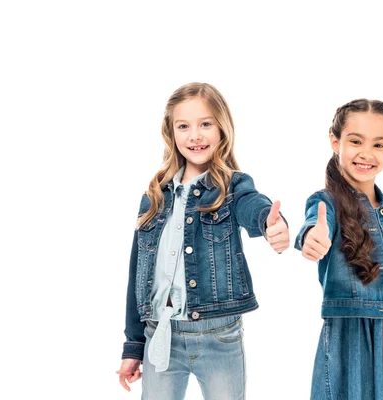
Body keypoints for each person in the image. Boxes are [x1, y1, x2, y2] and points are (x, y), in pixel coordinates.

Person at [116, 82, 289, 400]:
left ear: (223, 129)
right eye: (184, 126)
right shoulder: (154, 197)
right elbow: (137, 277)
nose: (194, 136)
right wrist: (133, 345)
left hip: (218, 338)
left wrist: (270, 223)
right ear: (171, 132)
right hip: (161, 336)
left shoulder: (232, 187)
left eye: (205, 124)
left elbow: (253, 206)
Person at [295, 99, 383, 399]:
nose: (366, 153)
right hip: (355, 347)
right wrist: (313, 236)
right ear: (335, 142)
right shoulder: (327, 203)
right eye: (355, 141)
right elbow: (315, 225)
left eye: (378, 145)